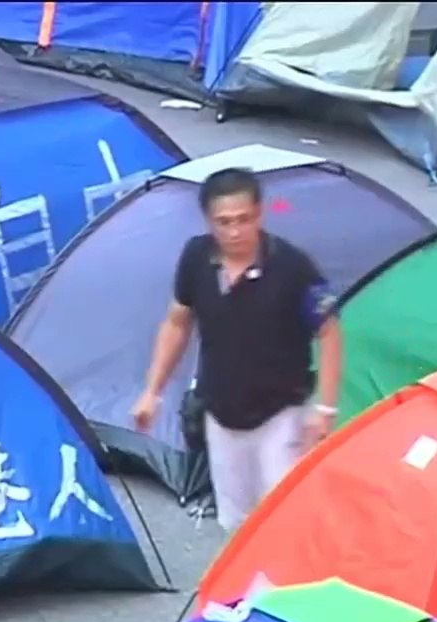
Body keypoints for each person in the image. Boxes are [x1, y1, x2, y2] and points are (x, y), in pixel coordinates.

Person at [131, 168, 342, 532]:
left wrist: (324, 408)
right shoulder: (196, 257)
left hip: (280, 413)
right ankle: (245, 589)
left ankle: (284, 587)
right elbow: (178, 322)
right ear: (208, 221)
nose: (234, 232)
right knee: (236, 522)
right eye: (223, 222)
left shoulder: (293, 268)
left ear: (260, 214)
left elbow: (330, 333)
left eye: (244, 220)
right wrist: (153, 391)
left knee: (282, 515)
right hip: (221, 414)